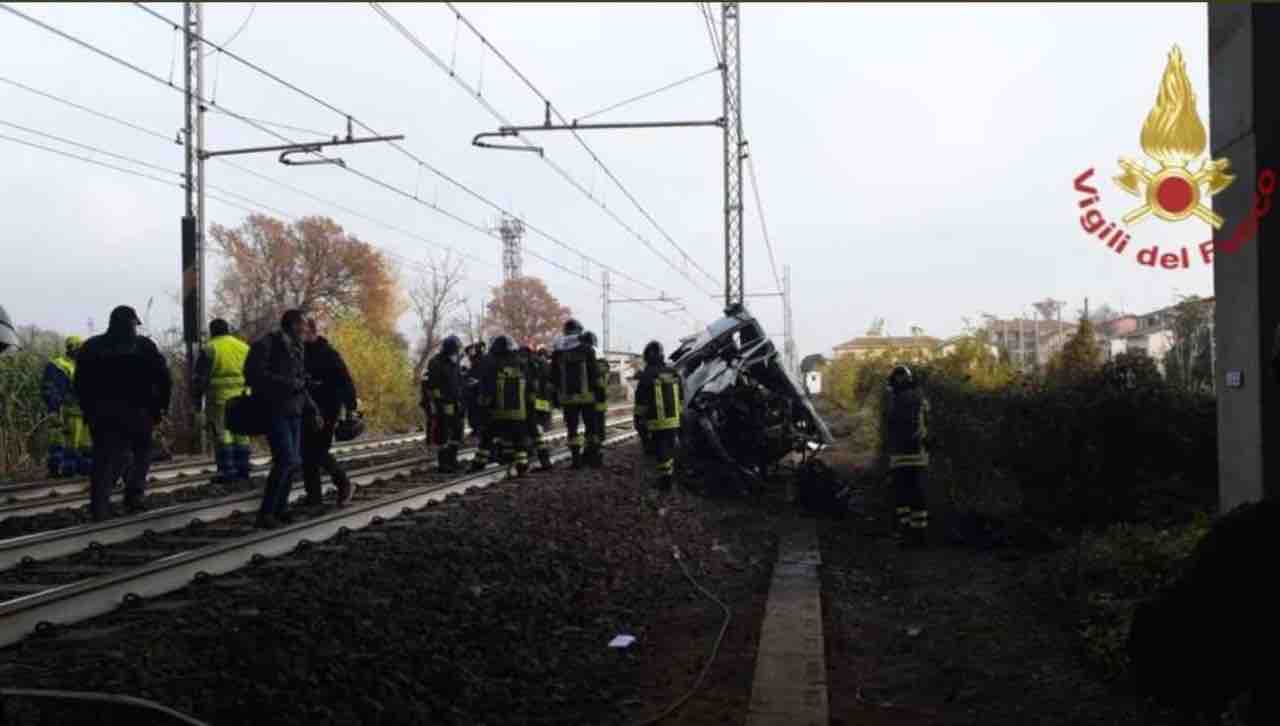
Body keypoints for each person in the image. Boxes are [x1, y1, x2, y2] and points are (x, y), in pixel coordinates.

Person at [74, 306, 171, 521]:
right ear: (133, 324)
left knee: (104, 458)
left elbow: (80, 383)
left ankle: (99, 506)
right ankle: (134, 498)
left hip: (102, 413)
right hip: (139, 412)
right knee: (141, 453)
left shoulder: (91, 347)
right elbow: (164, 377)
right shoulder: (144, 346)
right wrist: (162, 407)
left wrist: (88, 410)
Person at [244, 309, 319, 529]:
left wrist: (313, 409)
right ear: (294, 325)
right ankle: (266, 513)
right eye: (303, 326)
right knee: (285, 459)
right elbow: (252, 374)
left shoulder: (297, 347)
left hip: (293, 410)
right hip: (273, 409)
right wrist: (287, 383)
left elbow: (300, 381)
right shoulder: (266, 344)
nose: (305, 330)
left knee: (294, 461)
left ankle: (280, 508)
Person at [301, 317, 357, 508]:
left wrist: (351, 409)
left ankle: (343, 484)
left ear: (313, 332)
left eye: (304, 331)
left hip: (327, 408)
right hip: (305, 408)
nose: (300, 335)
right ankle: (314, 497)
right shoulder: (297, 352)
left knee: (317, 450)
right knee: (307, 453)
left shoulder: (328, 354)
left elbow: (345, 380)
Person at [192, 319, 252, 483]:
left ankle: (228, 472)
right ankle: (244, 470)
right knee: (242, 434)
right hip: (243, 397)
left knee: (223, 434)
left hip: (219, 399)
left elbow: (199, 379)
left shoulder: (210, 348)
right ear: (228, 330)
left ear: (212, 331)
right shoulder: (244, 347)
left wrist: (197, 402)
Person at [883, 364, 930, 547]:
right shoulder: (921, 397)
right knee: (918, 493)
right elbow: (928, 421)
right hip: (919, 455)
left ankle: (905, 532)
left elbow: (889, 426)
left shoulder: (893, 399)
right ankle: (920, 533)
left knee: (902, 495)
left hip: (899, 456)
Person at [470, 334, 531, 476]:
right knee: (518, 440)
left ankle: (478, 464)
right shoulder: (520, 362)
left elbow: (486, 386)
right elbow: (528, 386)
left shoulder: (490, 362)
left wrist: (483, 405)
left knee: (487, 438)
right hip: (518, 411)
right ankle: (522, 466)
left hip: (497, 410)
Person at [550, 319, 603, 469]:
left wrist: (555, 398)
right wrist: (599, 394)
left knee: (572, 429)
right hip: (588, 398)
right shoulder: (587, 349)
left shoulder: (558, 352)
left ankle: (576, 461)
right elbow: (595, 374)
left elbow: (553, 378)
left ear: (565, 331)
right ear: (579, 331)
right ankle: (594, 459)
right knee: (591, 429)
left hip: (567, 399)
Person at [634, 340, 682, 492]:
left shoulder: (647, 375)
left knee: (661, 451)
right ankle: (669, 476)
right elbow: (681, 395)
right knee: (669, 448)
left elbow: (641, 400)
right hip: (673, 420)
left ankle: (665, 482)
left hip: (657, 421)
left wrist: (638, 420)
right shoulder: (673, 372)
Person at [42, 336, 92, 477]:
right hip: (67, 415)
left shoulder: (86, 365)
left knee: (86, 448)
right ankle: (62, 476)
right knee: (66, 448)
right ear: (72, 348)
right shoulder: (58, 365)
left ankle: (82, 477)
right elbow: (50, 389)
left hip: (86, 415)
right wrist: (54, 410)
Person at [424, 335, 465, 473]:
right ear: (450, 350)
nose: (458, 353)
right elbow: (432, 386)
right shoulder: (436, 363)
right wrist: (438, 403)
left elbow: (458, 381)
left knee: (457, 434)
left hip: (456, 404)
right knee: (443, 434)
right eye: (457, 350)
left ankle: (453, 460)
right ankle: (444, 463)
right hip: (443, 405)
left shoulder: (455, 363)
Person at [521, 344, 554, 471]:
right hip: (541, 400)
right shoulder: (541, 364)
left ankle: (531, 452)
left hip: (532, 401)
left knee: (531, 428)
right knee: (538, 427)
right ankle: (542, 458)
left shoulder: (530, 364)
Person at [583, 331, 611, 469]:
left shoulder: (586, 358)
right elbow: (602, 383)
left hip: (588, 401)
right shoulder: (601, 361)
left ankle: (590, 455)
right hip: (598, 401)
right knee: (597, 431)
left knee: (591, 430)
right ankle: (594, 455)